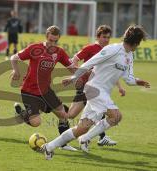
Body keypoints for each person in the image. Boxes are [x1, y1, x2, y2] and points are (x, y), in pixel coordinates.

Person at [41, 25, 150, 160]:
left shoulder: (129, 56)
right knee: (116, 116)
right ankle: (85, 139)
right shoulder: (113, 49)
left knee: (81, 128)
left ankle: (50, 146)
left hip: (103, 92)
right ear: (136, 42)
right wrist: (73, 77)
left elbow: (128, 78)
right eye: (138, 43)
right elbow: (90, 62)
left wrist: (138, 81)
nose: (138, 46)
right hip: (94, 89)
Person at [10, 25, 77, 151]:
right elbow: (14, 57)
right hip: (29, 91)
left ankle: (64, 144)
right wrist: (16, 71)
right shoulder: (35, 48)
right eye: (50, 40)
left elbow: (72, 68)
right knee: (36, 123)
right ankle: (22, 113)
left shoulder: (59, 52)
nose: (52, 43)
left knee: (63, 114)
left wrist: (84, 71)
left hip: (46, 90)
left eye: (55, 41)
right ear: (46, 37)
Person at [66, 25, 125, 146]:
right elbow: (74, 60)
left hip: (97, 88)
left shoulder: (110, 51)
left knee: (101, 109)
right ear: (98, 37)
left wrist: (119, 87)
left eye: (108, 37)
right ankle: (52, 106)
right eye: (104, 37)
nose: (106, 39)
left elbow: (111, 72)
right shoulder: (90, 48)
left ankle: (99, 137)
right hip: (85, 86)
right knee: (71, 115)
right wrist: (77, 76)